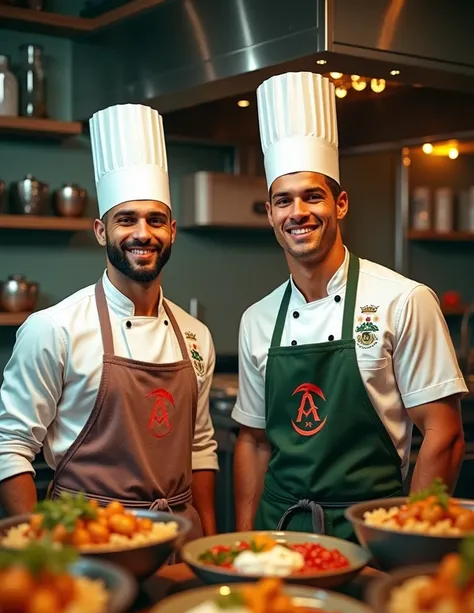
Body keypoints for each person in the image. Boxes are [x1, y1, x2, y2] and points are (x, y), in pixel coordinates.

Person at [232, 71, 467, 540]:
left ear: (340, 204)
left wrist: (409, 543)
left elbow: (444, 434)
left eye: (312, 196)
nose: (298, 212)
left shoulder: (403, 300)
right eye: (284, 201)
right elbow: (253, 442)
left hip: (369, 533)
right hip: (275, 535)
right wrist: (244, 539)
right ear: (270, 214)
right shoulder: (256, 319)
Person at [0, 103, 218, 539]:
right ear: (101, 231)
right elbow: (9, 447)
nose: (143, 233)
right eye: (126, 220)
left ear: (172, 231)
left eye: (156, 220)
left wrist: (209, 542)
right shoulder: (54, 328)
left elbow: (200, 447)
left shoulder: (195, 335)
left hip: (178, 538)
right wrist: (40, 544)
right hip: (86, 539)